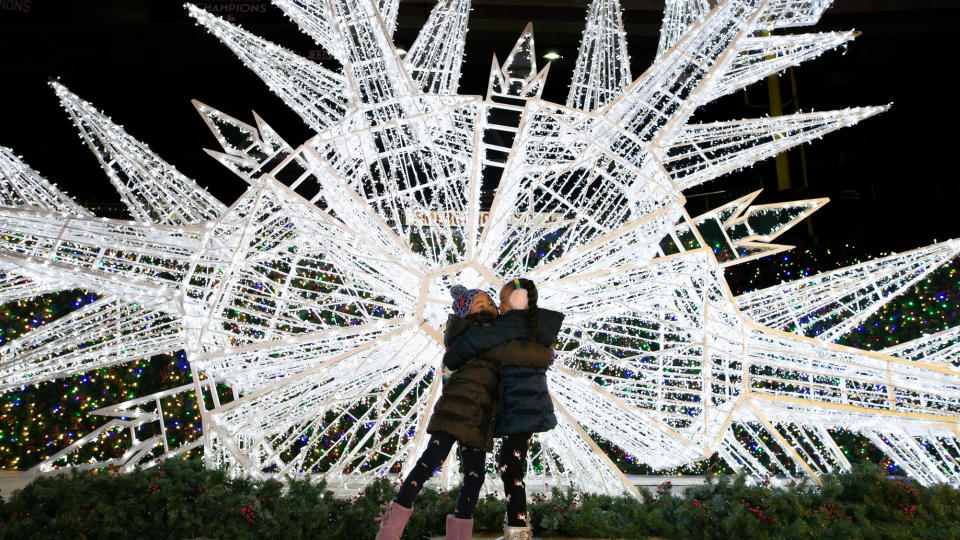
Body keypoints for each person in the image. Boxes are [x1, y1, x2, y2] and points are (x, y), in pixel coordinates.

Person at [375, 285, 553, 540]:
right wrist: (543, 354)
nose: (489, 307)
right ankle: (391, 528)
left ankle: (458, 534)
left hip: (479, 419)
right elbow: (503, 355)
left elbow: (456, 369)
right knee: (430, 462)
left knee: (474, 476)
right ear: (464, 312)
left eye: (490, 304)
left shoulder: (488, 336)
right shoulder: (477, 335)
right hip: (456, 411)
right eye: (480, 305)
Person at [443, 278, 564, 540]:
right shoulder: (528, 327)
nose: (497, 305)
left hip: (523, 406)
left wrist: (452, 360)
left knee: (510, 464)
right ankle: (517, 525)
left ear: (517, 301)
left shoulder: (510, 327)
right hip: (523, 406)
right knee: (511, 463)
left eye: (501, 300)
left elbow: (481, 344)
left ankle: (519, 530)